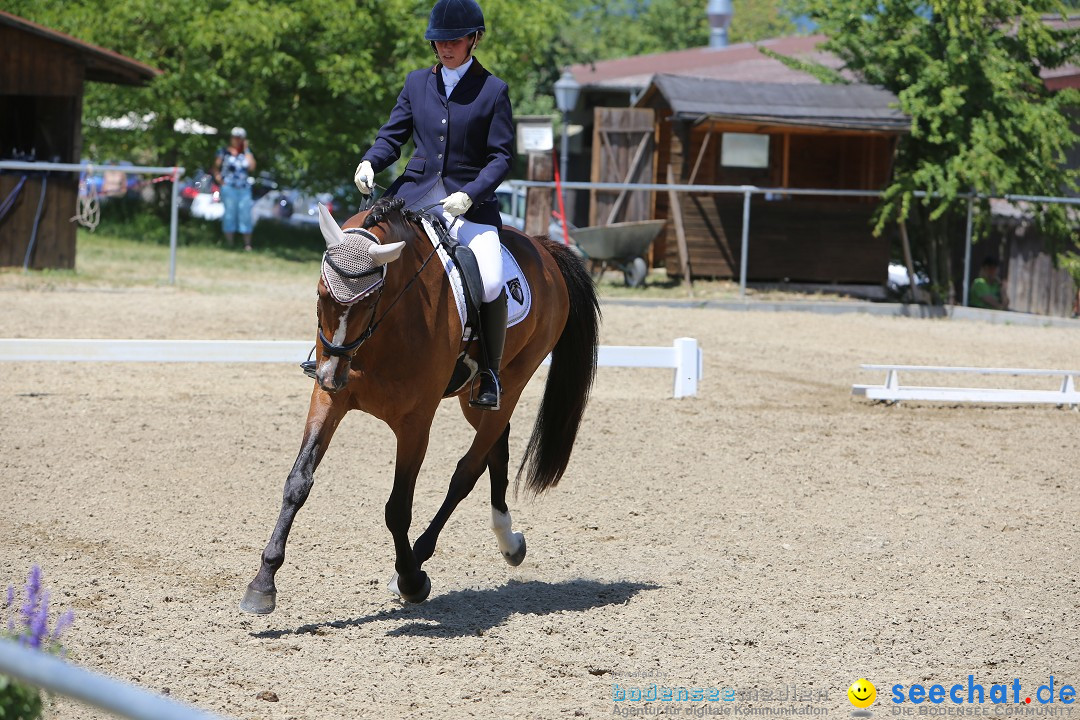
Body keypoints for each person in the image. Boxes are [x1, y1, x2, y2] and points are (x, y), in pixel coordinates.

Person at [354, 0, 513, 410]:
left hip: (468, 203)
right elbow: (393, 136)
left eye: (454, 40)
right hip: (415, 194)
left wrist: (471, 193)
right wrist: (371, 161)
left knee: (492, 280)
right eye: (439, 41)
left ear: (474, 39)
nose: (445, 48)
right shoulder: (415, 83)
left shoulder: (493, 91)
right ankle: (334, 352)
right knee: (355, 248)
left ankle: (489, 373)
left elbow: (501, 157)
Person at [214, 127, 256, 251]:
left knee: (245, 214)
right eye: (235, 138)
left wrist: (246, 149)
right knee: (229, 214)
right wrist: (220, 181)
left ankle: (247, 245)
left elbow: (252, 167)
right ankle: (229, 243)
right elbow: (216, 167)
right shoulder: (223, 152)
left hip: (244, 188)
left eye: (240, 138)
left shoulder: (246, 153)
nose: (237, 140)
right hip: (229, 187)